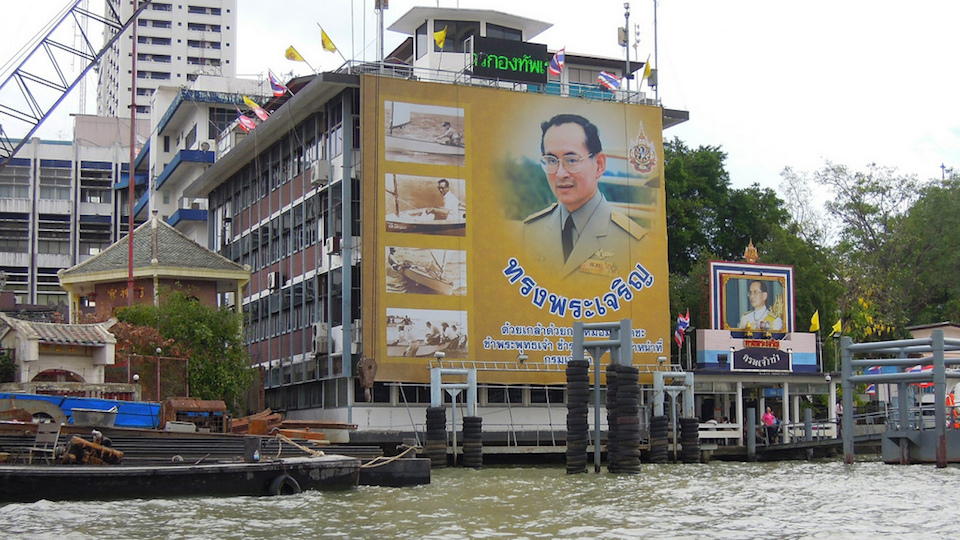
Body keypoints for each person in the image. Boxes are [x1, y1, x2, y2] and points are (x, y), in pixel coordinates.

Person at [522, 114, 647, 280]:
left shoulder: (632, 242)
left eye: (571, 160)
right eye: (551, 160)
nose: (560, 173)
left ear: (599, 165)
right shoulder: (531, 231)